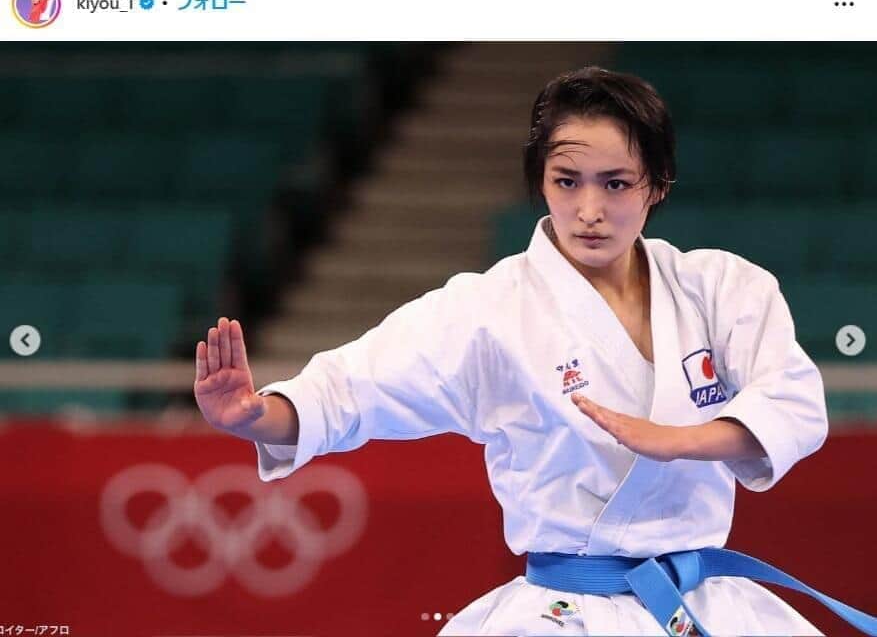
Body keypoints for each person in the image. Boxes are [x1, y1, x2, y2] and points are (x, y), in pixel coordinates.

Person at [194, 67, 873, 636]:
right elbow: (352, 389)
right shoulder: (488, 309)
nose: (588, 209)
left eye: (616, 183)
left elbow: (791, 400)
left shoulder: (720, 287)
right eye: (566, 179)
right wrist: (252, 416)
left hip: (706, 605)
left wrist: (681, 439)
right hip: (564, 611)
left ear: (658, 186)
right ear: (540, 180)